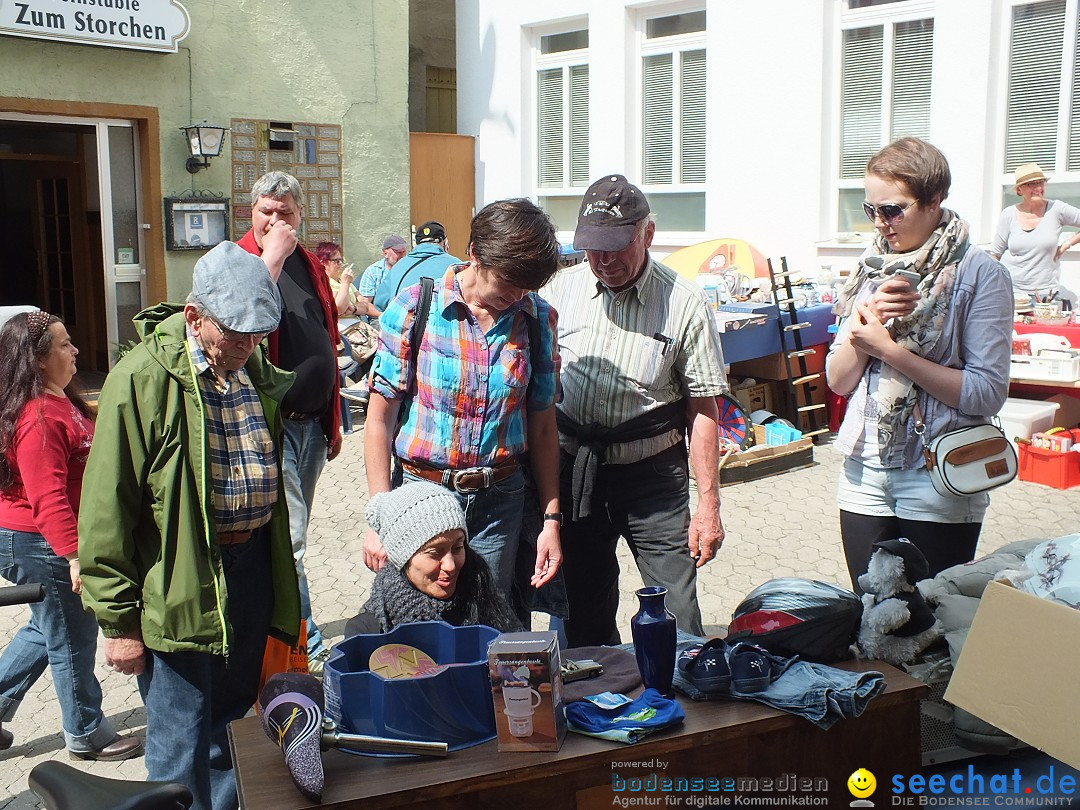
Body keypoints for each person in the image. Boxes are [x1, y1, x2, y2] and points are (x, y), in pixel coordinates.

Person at [78, 242, 301, 810]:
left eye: (258, 332)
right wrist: (118, 623)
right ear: (194, 316)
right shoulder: (140, 379)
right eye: (237, 331)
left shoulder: (249, 366)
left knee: (229, 725)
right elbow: (107, 510)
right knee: (180, 736)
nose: (250, 344)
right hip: (178, 581)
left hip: (247, 572)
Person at [541, 174, 728, 647]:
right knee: (582, 614)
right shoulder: (559, 293)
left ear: (648, 233)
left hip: (652, 481)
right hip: (575, 472)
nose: (604, 261)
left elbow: (704, 411)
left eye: (617, 246)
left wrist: (708, 505)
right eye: (593, 248)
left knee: (678, 615)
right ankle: (593, 708)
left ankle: (684, 702)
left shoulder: (684, 303)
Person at [828, 137, 1013, 590]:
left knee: (931, 623)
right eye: (870, 210)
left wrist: (890, 351)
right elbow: (837, 380)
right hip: (865, 468)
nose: (881, 224)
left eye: (892, 210)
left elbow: (986, 392)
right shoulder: (871, 270)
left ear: (933, 201)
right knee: (872, 617)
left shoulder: (980, 274)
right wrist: (867, 326)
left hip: (939, 469)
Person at [362, 199, 563, 603]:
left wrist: (551, 519)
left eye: (527, 286)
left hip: (499, 506)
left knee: (490, 625)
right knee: (421, 625)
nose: (517, 294)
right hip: (422, 499)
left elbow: (542, 425)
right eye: (508, 280)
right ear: (474, 254)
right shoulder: (415, 308)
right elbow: (379, 420)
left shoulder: (537, 319)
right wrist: (379, 516)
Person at [0, 312, 142, 761]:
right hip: (39, 540)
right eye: (64, 344)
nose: (75, 350)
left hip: (39, 538)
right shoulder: (37, 416)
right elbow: (47, 499)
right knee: (73, 637)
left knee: (47, 630)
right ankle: (84, 732)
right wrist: (76, 557)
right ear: (38, 360)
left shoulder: (58, 401)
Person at [237, 171, 341, 674]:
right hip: (269, 427)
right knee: (291, 539)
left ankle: (282, 627)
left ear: (300, 215)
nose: (275, 221)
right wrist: (270, 259)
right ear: (250, 213)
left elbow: (327, 335)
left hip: (311, 427)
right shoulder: (239, 260)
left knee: (289, 538)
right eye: (266, 212)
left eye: (285, 213)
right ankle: (304, 641)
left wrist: (333, 422)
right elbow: (240, 321)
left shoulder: (311, 265)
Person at [346, 481, 520, 635]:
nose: (450, 566)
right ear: (402, 557)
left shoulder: (486, 604)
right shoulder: (368, 631)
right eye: (435, 553)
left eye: (457, 548)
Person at [991, 162, 1080, 301]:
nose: (1038, 188)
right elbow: (995, 255)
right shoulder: (1008, 214)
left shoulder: (1057, 209)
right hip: (1011, 292)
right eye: (1031, 184)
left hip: (1046, 295)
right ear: (1019, 190)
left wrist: (1066, 245)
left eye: (1041, 183)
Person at [372, 220, 461, 312]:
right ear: (445, 242)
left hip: (402, 324)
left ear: (417, 244)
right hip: (442, 323)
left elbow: (380, 304)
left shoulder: (398, 266)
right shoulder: (456, 265)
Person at [355, 234, 408, 321]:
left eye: (404, 252)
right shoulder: (373, 272)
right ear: (385, 253)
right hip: (380, 318)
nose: (402, 256)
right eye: (398, 252)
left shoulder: (409, 269)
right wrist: (385, 316)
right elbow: (365, 304)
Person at [315, 241, 359, 317]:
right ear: (323, 262)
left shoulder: (342, 279)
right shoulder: (322, 283)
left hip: (355, 322)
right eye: (336, 261)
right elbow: (338, 309)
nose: (340, 264)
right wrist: (345, 284)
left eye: (341, 260)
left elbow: (365, 303)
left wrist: (353, 308)